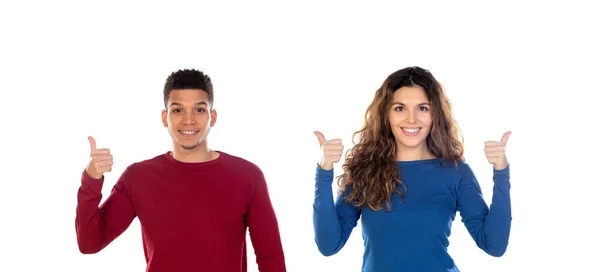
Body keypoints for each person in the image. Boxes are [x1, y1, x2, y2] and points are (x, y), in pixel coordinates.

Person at [75, 69, 287, 272]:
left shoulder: (248, 176)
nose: (189, 120)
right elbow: (90, 242)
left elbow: (271, 259)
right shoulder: (138, 178)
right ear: (164, 117)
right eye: (178, 110)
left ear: (212, 117)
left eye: (199, 109)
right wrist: (92, 179)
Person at [312, 66, 512, 271]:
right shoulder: (364, 172)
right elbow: (329, 245)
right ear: (386, 115)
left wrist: (501, 171)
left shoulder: (456, 172)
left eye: (422, 108)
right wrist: (324, 170)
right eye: (400, 108)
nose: (411, 119)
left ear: (435, 115)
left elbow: (494, 245)